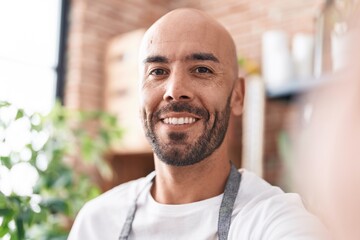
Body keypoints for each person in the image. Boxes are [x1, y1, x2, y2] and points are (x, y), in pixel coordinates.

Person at [68, 8, 328, 239]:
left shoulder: (272, 221)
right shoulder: (97, 223)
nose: (175, 90)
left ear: (238, 96)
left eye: (202, 69)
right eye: (158, 71)